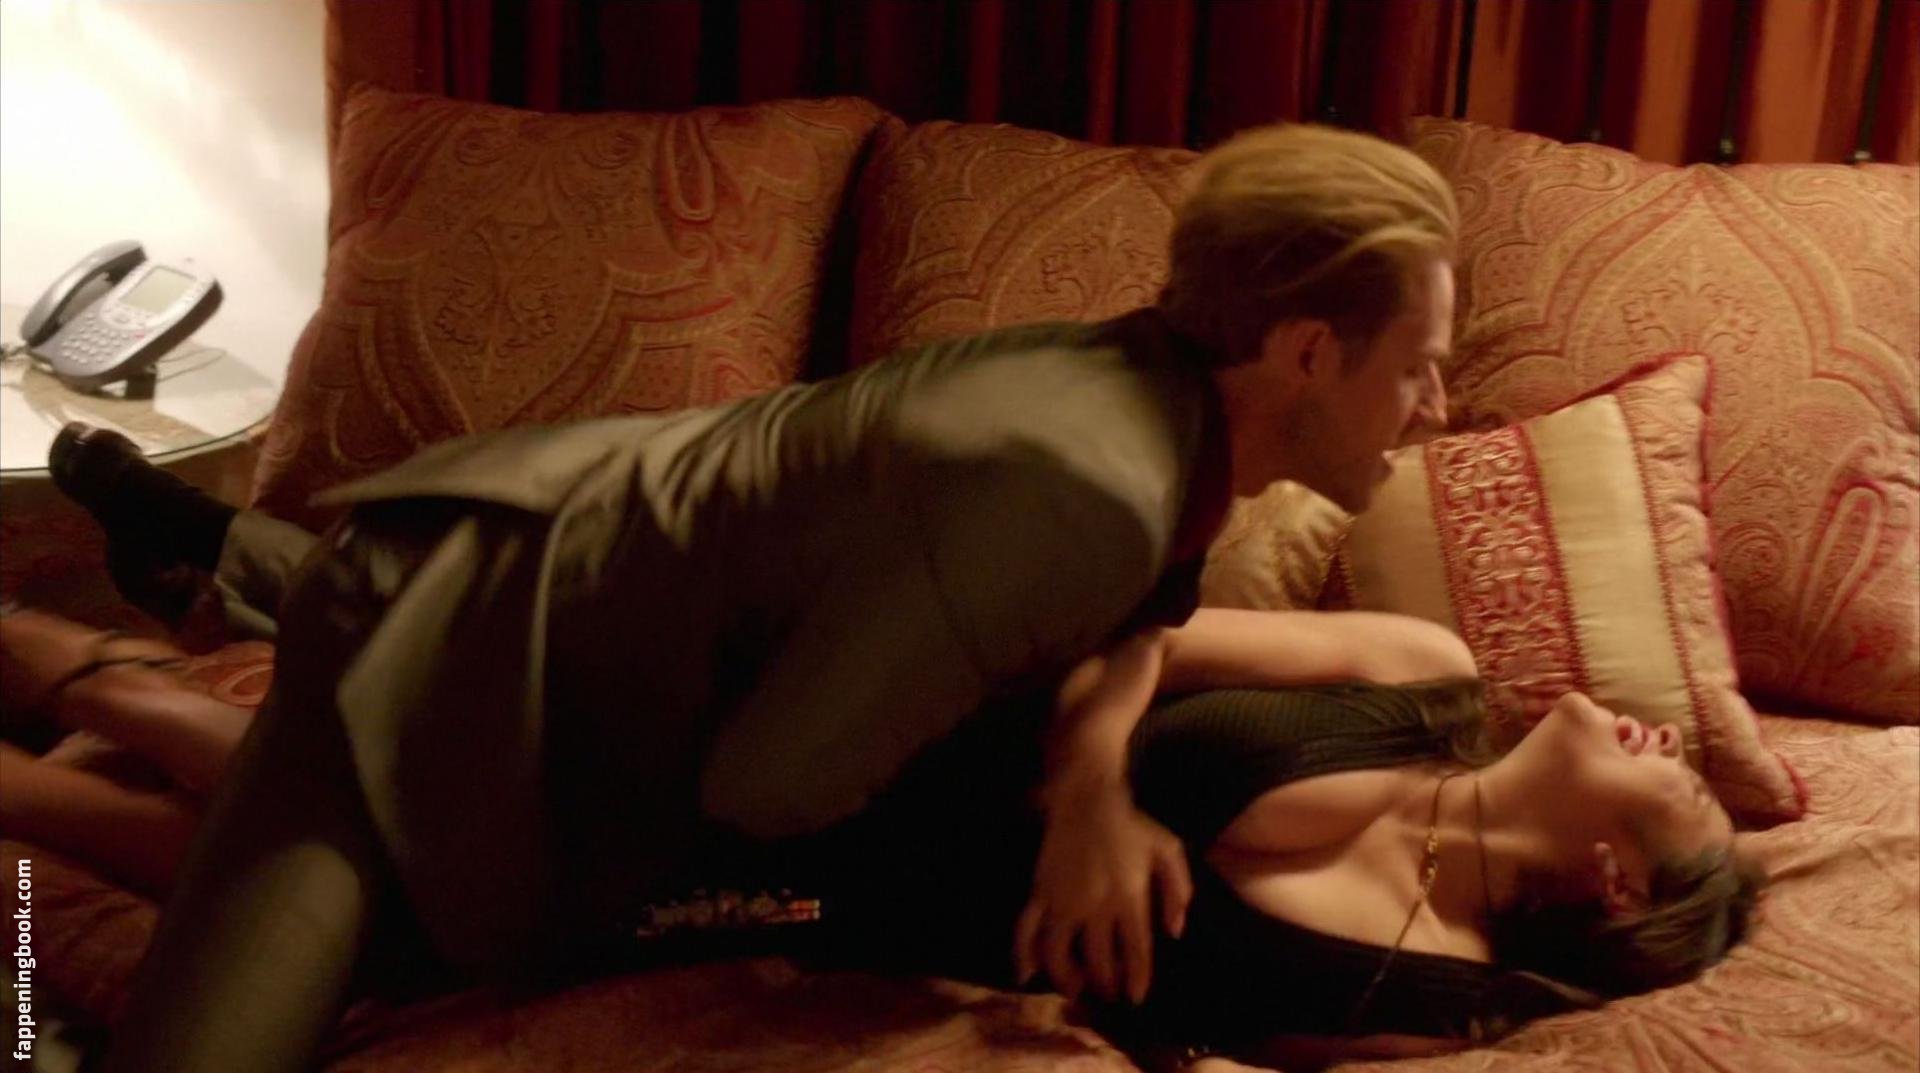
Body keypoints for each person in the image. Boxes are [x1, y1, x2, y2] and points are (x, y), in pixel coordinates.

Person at [52, 121, 1468, 1073]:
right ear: (1303, 353)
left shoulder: (1161, 411)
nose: (1440, 402)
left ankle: (213, 554)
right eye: (1419, 364)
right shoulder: (1086, 489)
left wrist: (1094, 780)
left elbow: (1137, 614)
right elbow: (774, 786)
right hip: (448, 650)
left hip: (536, 573)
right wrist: (1030, 804)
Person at [1, 595, 1761, 1071]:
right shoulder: (1420, 671)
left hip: (824, 890)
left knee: (391, 899)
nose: (1667, 738)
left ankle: (58, 738)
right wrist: (1093, 789)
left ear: (1615, 877)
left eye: (1676, 784)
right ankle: (63, 678)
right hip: (866, 739)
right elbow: (1134, 627)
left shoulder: (1438, 1001)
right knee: (340, 782)